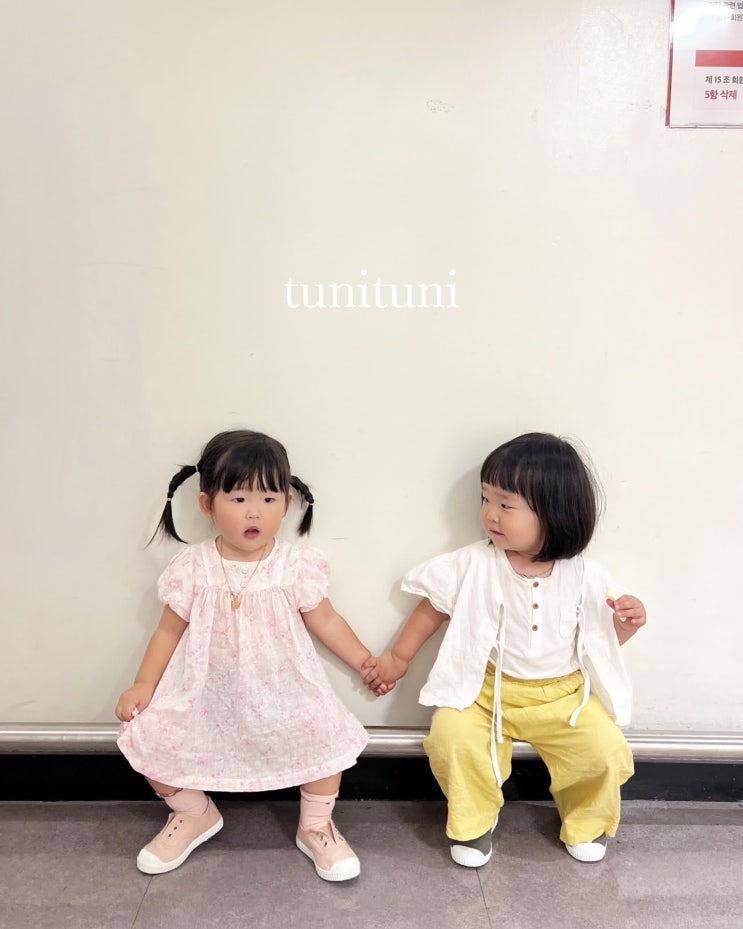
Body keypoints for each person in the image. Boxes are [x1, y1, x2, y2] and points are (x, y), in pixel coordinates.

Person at [362, 432, 646, 866]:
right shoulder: (475, 562)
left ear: (554, 512)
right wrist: (398, 658)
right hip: (485, 691)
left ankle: (588, 821)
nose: (489, 514)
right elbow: (431, 609)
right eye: (485, 499)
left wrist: (624, 624)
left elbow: (597, 641)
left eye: (506, 505)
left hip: (564, 696)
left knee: (603, 750)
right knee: (452, 738)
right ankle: (474, 819)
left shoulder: (585, 575)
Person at [116, 429, 372, 882]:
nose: (255, 512)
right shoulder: (192, 568)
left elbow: (328, 622)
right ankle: (194, 812)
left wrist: (366, 662)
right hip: (205, 693)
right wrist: (144, 684)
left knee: (325, 732)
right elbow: (167, 631)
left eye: (269, 499)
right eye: (238, 499)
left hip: (284, 690)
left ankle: (316, 824)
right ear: (207, 505)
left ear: (287, 504)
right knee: (147, 734)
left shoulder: (295, 566)